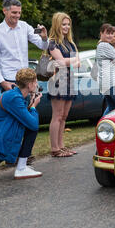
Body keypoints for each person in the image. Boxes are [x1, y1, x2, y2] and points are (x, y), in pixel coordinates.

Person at [0, 0, 49, 93]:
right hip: (9, 81)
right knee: (12, 108)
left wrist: (44, 38)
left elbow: (43, 46)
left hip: (26, 79)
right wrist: (2, 82)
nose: (17, 15)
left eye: (19, 13)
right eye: (14, 12)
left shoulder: (25, 26)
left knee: (28, 107)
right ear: (5, 11)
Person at [47, 12, 80, 157]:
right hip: (58, 81)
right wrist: (70, 62)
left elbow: (78, 63)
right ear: (57, 25)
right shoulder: (52, 42)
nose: (66, 27)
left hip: (70, 80)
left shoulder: (70, 43)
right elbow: (60, 63)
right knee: (57, 115)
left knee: (65, 116)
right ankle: (55, 148)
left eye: (68, 24)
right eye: (63, 24)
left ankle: (61, 146)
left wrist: (68, 62)